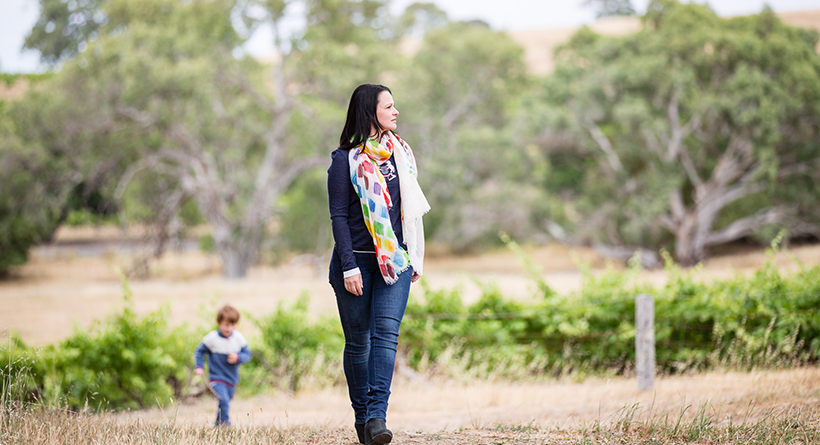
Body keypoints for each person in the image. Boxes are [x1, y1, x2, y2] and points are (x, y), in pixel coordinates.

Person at [327, 83, 430, 445]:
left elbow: (410, 213)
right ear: (371, 112)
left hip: (394, 263)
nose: (396, 111)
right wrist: (349, 266)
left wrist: (413, 255)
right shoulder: (345, 160)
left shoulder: (401, 153)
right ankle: (362, 420)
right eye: (389, 106)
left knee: (385, 336)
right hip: (355, 263)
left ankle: (377, 418)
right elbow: (339, 216)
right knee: (358, 343)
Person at [194, 304, 252, 426]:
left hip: (232, 379)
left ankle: (218, 424)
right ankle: (226, 425)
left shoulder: (239, 338)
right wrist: (199, 366)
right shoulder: (212, 338)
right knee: (223, 400)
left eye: (232, 325)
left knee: (225, 402)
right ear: (219, 323)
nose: (229, 328)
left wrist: (238, 357)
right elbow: (199, 351)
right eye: (226, 325)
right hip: (217, 377)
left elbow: (248, 355)